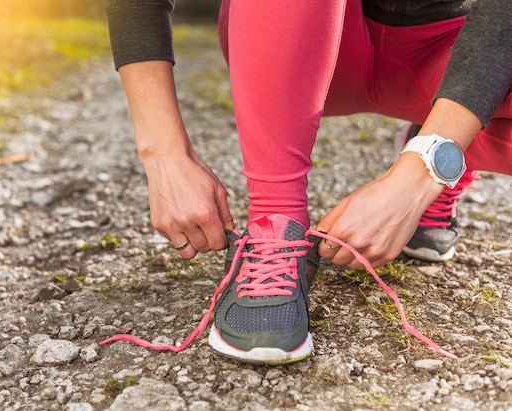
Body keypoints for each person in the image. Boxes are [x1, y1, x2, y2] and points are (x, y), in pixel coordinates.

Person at [104, 0, 512, 364]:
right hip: (305, 39)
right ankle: (274, 221)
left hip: (454, 57)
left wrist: (420, 174)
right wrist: (164, 155)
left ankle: (442, 147)